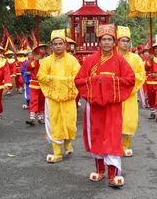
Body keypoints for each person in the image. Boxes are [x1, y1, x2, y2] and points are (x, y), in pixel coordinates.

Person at [75, 24, 135, 188]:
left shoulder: (120, 61)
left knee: (113, 137)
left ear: (113, 42)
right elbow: (79, 81)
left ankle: (112, 174)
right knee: (97, 136)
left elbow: (130, 80)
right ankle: (100, 170)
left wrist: (106, 82)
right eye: (104, 39)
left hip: (113, 107)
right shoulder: (90, 60)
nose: (107, 42)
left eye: (110, 39)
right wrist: (96, 82)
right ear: (99, 42)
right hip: (95, 107)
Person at [37, 30, 81, 163]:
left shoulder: (73, 61)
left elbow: (78, 77)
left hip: (68, 98)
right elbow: (40, 76)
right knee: (53, 123)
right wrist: (58, 80)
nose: (58, 46)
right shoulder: (46, 62)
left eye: (60, 43)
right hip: (52, 98)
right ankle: (57, 152)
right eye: (55, 44)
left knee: (69, 122)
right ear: (52, 46)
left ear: (65, 44)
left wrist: (62, 82)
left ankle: (68, 144)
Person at [116, 26, 146, 157]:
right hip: (114, 95)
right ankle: (115, 145)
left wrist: (129, 86)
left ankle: (126, 145)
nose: (125, 43)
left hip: (129, 95)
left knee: (128, 120)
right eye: (122, 40)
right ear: (117, 41)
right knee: (115, 120)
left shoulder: (136, 58)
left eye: (127, 41)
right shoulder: (111, 57)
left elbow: (141, 75)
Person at [26, 42, 47, 125]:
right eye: (39, 48)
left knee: (42, 101)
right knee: (33, 100)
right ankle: (32, 118)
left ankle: (40, 118)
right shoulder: (33, 60)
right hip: (34, 84)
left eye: (42, 48)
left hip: (43, 84)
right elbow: (28, 67)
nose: (41, 50)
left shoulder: (47, 60)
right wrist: (35, 60)